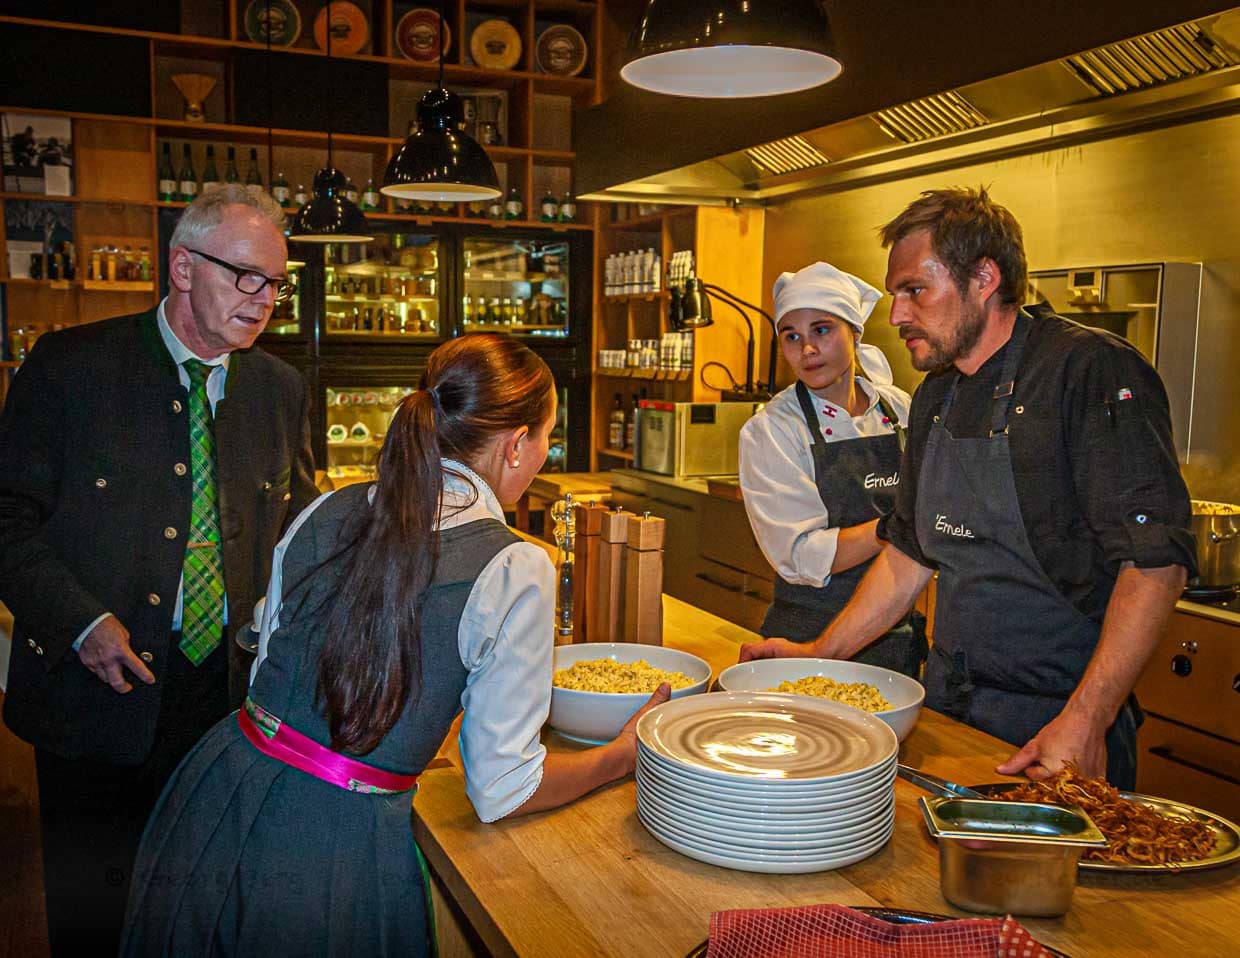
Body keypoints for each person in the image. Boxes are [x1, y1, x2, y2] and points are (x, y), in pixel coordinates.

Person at [120, 333, 670, 956]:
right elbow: (503, 789)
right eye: (546, 437)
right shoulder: (517, 565)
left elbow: (270, 666)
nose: (545, 453)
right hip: (334, 842)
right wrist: (624, 756)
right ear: (517, 445)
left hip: (217, 788)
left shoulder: (322, 509)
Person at [742, 188, 1194, 789]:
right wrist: (821, 651)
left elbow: (1155, 564)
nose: (898, 314)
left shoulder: (1090, 373)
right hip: (948, 709)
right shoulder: (937, 394)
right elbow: (908, 554)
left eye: (914, 290)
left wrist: (1089, 717)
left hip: (1058, 725)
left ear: (983, 276)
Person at [0, 184, 317, 955]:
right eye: (245, 276)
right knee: (96, 915)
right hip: (94, 696)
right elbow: (6, 520)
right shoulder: (72, 368)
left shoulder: (279, 388)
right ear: (182, 267)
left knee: (205, 907)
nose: (264, 299)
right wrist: (80, 620)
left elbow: (301, 531)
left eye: (275, 283)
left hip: (227, 698)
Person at [738, 262, 924, 677]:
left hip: (896, 641)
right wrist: (897, 528)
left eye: (821, 330)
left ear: (855, 333)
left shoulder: (900, 409)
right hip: (805, 640)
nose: (807, 350)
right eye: (792, 337)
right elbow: (802, 556)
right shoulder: (772, 430)